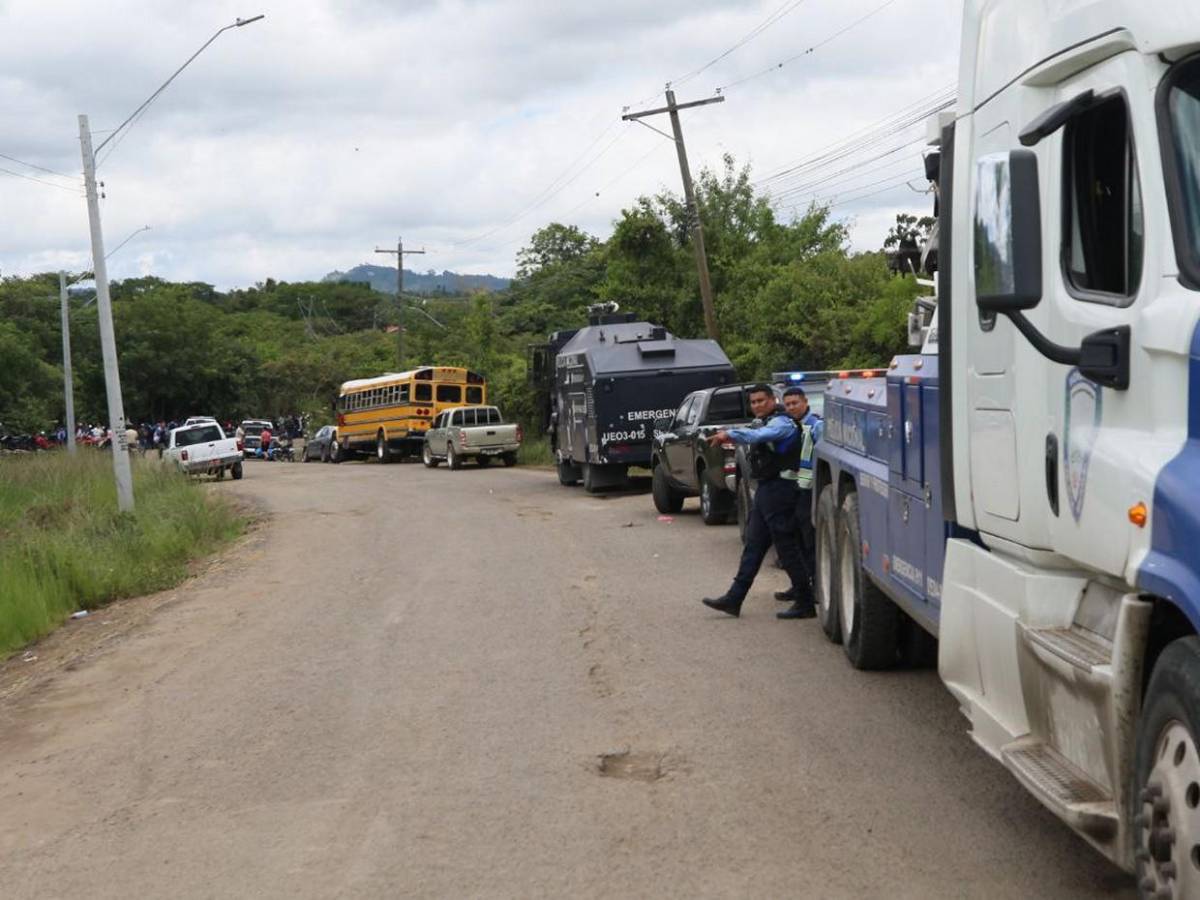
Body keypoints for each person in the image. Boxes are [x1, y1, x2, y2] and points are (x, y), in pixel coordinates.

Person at [700, 385, 816, 620]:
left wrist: (730, 435)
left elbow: (760, 436)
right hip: (767, 490)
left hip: (782, 490)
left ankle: (805, 601)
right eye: (753, 402)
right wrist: (729, 430)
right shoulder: (762, 421)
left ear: (773, 400)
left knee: (786, 547)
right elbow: (752, 431)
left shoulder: (782, 423)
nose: (757, 406)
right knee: (753, 545)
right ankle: (734, 598)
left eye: (761, 401)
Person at [776, 387, 824, 618]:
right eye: (788, 404)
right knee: (797, 539)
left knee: (809, 542)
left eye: (795, 403)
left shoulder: (815, 425)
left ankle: (815, 588)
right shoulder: (791, 425)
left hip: (809, 491)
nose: (792, 407)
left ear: (805, 402)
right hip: (794, 490)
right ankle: (800, 586)